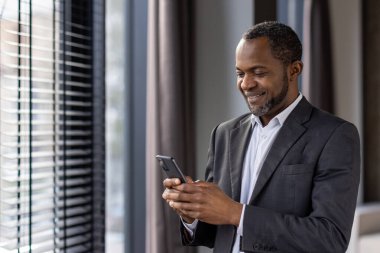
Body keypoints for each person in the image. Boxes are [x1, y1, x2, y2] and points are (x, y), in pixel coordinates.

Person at [162, 21, 360, 253]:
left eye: (258, 72)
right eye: (240, 73)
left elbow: (330, 239)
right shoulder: (224, 134)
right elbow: (218, 233)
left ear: (294, 70)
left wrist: (235, 212)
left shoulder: (334, 136)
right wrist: (192, 212)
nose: (246, 84)